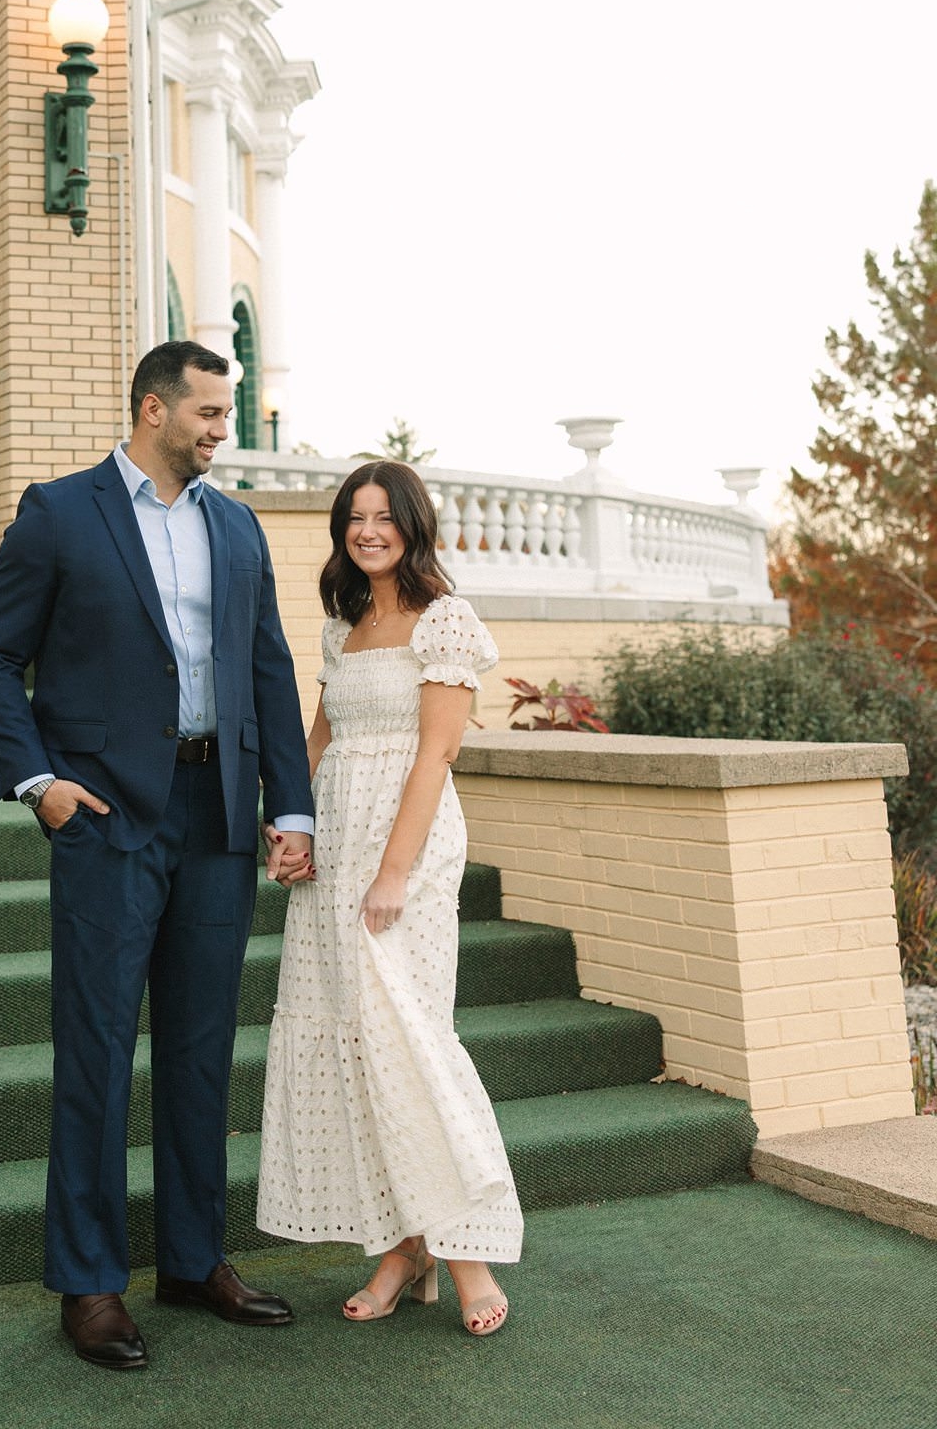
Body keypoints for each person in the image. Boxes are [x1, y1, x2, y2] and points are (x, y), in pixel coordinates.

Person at [0, 340, 316, 1370]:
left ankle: (195, 1260)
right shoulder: (58, 514)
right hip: (107, 815)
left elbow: (268, 668)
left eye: (226, 413)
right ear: (153, 409)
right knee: (98, 1048)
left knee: (202, 1048)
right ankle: (89, 1282)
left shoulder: (237, 525)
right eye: (207, 413)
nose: (221, 431)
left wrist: (292, 806)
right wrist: (39, 783)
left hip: (219, 814)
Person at [256, 460, 523, 1334]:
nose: (368, 531)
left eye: (384, 517)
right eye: (355, 518)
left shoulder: (444, 619)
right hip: (337, 842)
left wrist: (395, 871)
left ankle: (465, 1254)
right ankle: (405, 1250)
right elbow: (319, 739)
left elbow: (436, 754)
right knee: (356, 1040)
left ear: (413, 525)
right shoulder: (344, 624)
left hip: (406, 847)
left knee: (407, 1037)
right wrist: (292, 827)